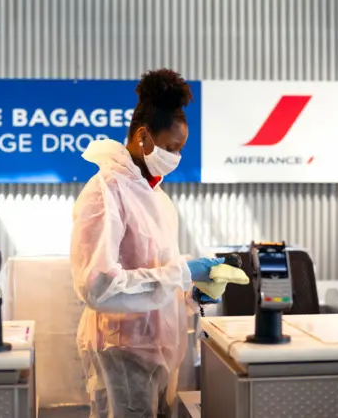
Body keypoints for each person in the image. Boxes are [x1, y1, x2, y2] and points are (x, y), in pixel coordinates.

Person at [70, 68, 224, 418]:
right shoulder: (104, 192)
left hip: (161, 344)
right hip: (121, 349)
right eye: (171, 147)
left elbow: (160, 269)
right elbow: (97, 285)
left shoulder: (156, 196)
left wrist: (192, 289)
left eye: (180, 149)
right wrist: (181, 273)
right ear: (143, 136)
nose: (176, 157)